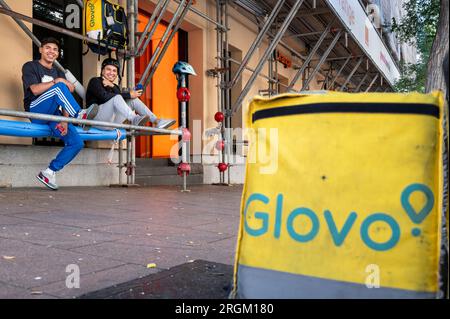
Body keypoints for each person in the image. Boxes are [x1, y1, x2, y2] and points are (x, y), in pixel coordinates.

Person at [22, 37, 99, 190]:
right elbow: (35, 90)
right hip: (36, 110)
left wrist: (64, 121)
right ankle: (79, 115)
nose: (51, 51)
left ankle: (49, 172)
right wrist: (57, 81)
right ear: (41, 50)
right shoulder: (30, 66)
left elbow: (64, 98)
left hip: (54, 115)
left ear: (58, 53)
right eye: (48, 48)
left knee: (76, 143)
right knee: (59, 87)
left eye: (55, 49)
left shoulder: (58, 73)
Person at [86, 58, 175, 129]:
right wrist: (129, 94)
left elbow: (121, 100)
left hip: (111, 122)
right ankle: (134, 119)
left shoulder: (115, 86)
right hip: (96, 119)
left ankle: (156, 121)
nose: (111, 73)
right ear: (102, 71)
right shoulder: (95, 81)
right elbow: (104, 97)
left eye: (114, 71)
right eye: (108, 69)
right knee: (118, 97)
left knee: (133, 100)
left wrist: (112, 86)